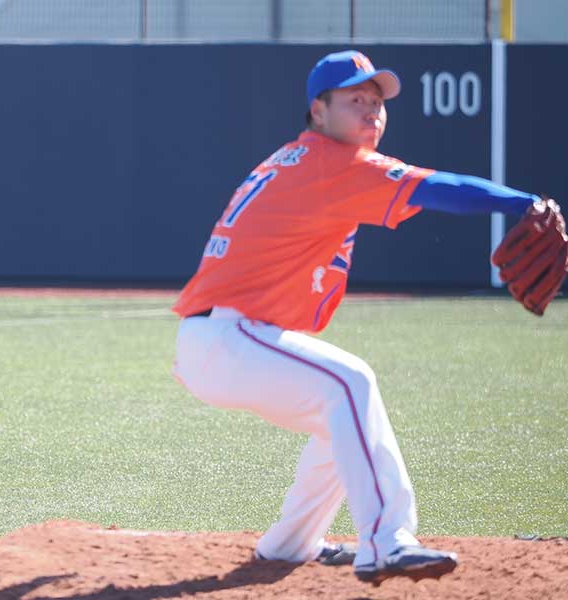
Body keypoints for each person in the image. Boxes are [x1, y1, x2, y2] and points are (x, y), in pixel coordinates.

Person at [172, 50, 547, 585]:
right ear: (318, 111)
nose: (371, 109)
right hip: (227, 336)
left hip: (223, 337)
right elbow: (440, 188)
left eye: (376, 100)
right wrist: (524, 204)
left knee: (341, 416)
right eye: (355, 99)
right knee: (351, 383)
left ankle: (291, 542)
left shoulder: (302, 158)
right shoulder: (333, 163)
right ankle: (388, 541)